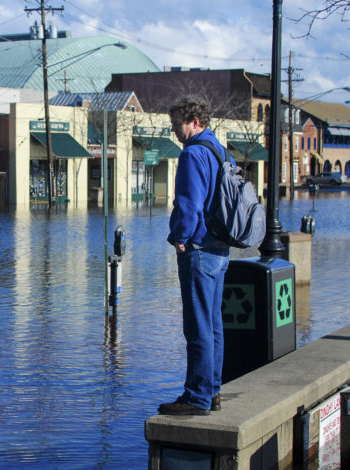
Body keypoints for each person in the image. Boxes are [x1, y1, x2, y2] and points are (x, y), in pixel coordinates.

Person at [158, 98, 231, 416]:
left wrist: (180, 239)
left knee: (197, 326)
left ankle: (196, 397)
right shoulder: (219, 150)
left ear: (196, 121)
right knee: (214, 325)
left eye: (177, 124)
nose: (174, 131)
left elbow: (189, 204)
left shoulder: (193, 153)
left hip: (199, 249)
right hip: (220, 249)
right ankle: (212, 391)